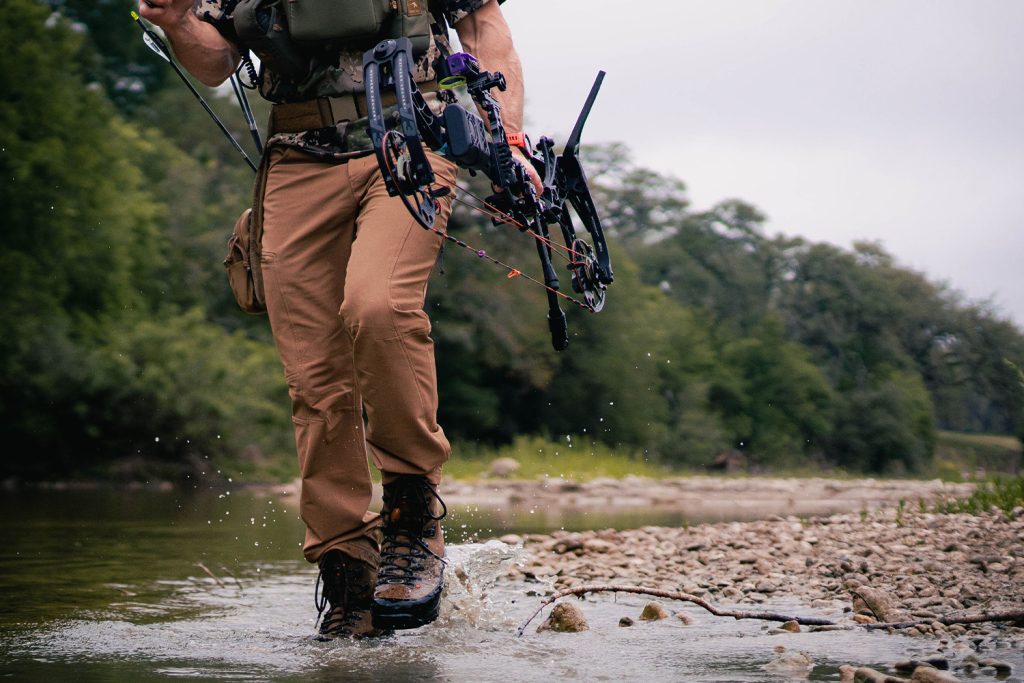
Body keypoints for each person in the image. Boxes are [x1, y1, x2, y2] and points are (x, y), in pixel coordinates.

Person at [137, 0, 541, 638]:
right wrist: (179, 21)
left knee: (377, 306)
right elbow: (217, 61)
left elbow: (482, 24)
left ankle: (412, 515)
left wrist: (509, 138)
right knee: (315, 378)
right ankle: (348, 565)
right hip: (296, 157)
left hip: (408, 139)